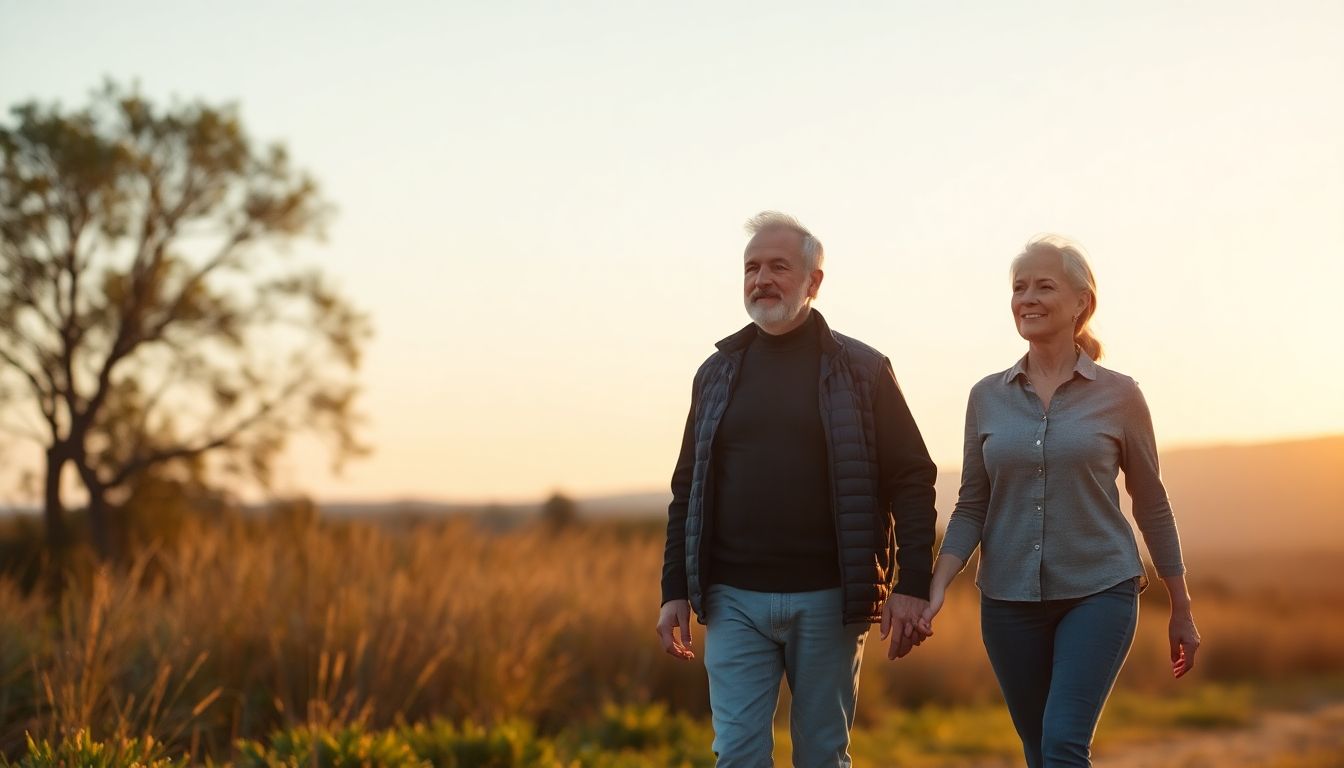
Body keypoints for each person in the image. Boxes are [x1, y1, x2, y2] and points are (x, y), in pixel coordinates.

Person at [656, 211, 938, 767]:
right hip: (732, 597)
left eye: (778, 267)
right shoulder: (714, 373)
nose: (762, 279)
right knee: (735, 754)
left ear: (813, 281)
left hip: (830, 599)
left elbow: (912, 475)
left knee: (822, 754)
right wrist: (673, 590)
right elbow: (686, 488)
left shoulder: (863, 369)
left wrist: (913, 584)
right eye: (751, 267)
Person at [918, 235, 1202, 767]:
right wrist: (937, 586)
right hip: (1006, 600)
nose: (1027, 297)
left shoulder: (1120, 396)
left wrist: (1181, 606)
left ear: (1081, 302)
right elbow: (972, 503)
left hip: (1099, 590)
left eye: (1043, 286)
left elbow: (1151, 502)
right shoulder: (987, 396)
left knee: (1063, 744)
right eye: (1018, 287)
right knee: (1038, 751)